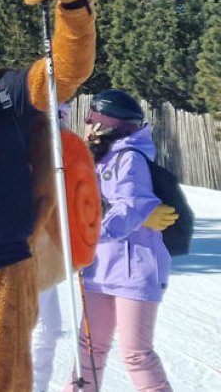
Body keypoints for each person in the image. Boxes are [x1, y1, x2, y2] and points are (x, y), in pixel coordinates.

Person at [64, 89, 176, 392]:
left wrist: (91, 234)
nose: (86, 125)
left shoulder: (128, 158)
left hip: (134, 270)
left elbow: (131, 206)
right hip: (99, 269)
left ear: (107, 124)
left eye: (91, 119)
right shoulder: (98, 158)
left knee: (136, 354)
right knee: (89, 349)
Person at [32, 102, 73, 392]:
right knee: (31, 328)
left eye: (61, 116)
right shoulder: (22, 144)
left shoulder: (63, 148)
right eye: (54, 115)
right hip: (25, 248)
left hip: (50, 249)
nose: (58, 122)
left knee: (49, 328)